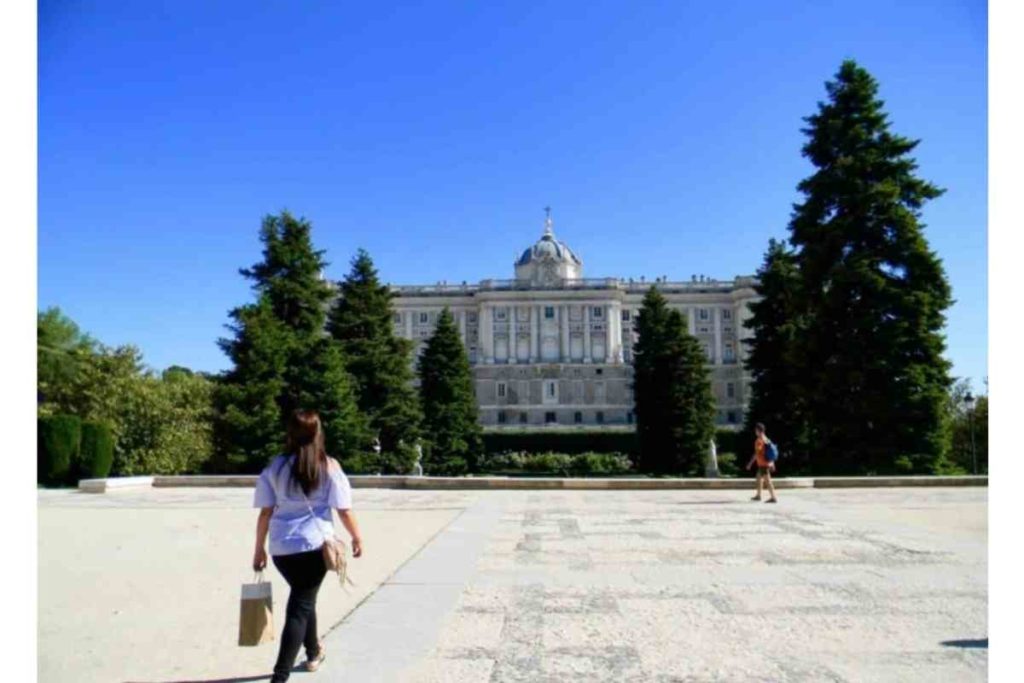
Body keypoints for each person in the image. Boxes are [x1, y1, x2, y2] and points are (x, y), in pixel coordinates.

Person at [252, 410, 364, 683]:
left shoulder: (275, 467)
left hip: (281, 549)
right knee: (300, 606)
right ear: (318, 433)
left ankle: (313, 652)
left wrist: (259, 549)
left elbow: (265, 512)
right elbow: (344, 509)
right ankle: (280, 676)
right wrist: (357, 537)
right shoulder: (329, 466)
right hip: (315, 547)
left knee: (303, 598)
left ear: (289, 434)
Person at [746, 422, 778, 503]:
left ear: (758, 430)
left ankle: (773, 497)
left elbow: (757, 453)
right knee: (759, 478)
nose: (755, 432)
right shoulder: (766, 439)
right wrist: (772, 463)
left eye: (756, 430)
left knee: (768, 481)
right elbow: (770, 451)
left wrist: (750, 463)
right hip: (765, 463)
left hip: (763, 464)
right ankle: (758, 495)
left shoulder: (759, 440)